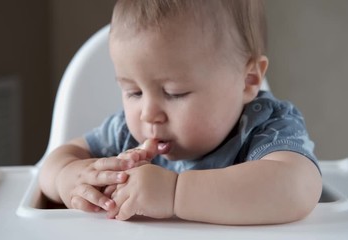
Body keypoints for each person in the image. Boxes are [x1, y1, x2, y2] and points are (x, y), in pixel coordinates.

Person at [39, 0, 322, 225]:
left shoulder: (265, 127)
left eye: (174, 93)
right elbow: (54, 163)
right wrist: (71, 177)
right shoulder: (124, 134)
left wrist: (174, 192)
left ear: (247, 80)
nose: (148, 114)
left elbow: (297, 188)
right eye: (134, 92)